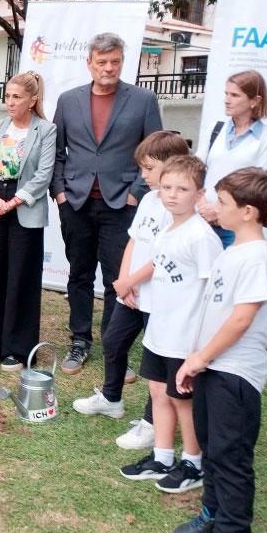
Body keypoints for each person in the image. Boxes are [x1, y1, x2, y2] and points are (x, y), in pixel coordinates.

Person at [171, 168, 267, 533]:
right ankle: (213, 514)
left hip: (234, 374)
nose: (214, 207)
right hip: (211, 366)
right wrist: (196, 359)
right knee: (213, 448)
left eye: (223, 202)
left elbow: (241, 319)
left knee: (231, 457)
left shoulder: (257, 256)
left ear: (249, 212)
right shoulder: (235, 249)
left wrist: (202, 357)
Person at [50, 32, 164, 375]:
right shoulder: (68, 100)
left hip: (122, 206)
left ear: (121, 62)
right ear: (89, 64)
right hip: (77, 203)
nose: (108, 68)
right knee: (79, 275)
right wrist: (60, 194)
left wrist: (135, 194)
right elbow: (56, 153)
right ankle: (80, 342)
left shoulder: (143, 100)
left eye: (114, 61)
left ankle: (116, 348)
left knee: (118, 278)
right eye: (101, 62)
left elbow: (156, 151)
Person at [72, 131, 190, 452]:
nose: (143, 175)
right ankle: (111, 399)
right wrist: (124, 280)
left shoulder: (177, 208)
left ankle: (152, 424)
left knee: (156, 364)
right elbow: (134, 240)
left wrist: (133, 280)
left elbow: (162, 256)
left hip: (159, 299)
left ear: (171, 166)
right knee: (112, 340)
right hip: (133, 294)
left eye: (149, 168)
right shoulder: (149, 200)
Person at [119, 155, 222, 495]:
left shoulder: (202, 236)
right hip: (160, 332)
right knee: (158, 392)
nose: (173, 195)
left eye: (183, 189)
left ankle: (193, 463)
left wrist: (201, 345)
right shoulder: (166, 229)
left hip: (185, 338)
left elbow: (211, 292)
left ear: (199, 193)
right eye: (167, 187)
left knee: (182, 400)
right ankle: (162, 458)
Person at [0, 72, 54, 371]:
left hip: (24, 208)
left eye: (17, 97)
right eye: (7, 96)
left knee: (20, 279)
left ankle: (18, 350)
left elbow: (43, 174)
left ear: (32, 100)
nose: (10, 102)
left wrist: (13, 201)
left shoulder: (46, 130)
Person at [195, 71, 267, 248]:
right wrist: (203, 205)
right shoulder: (215, 129)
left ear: (255, 100)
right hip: (202, 219)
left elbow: (260, 188)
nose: (227, 100)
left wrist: (218, 212)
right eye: (226, 94)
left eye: (234, 95)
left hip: (236, 228)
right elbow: (195, 170)